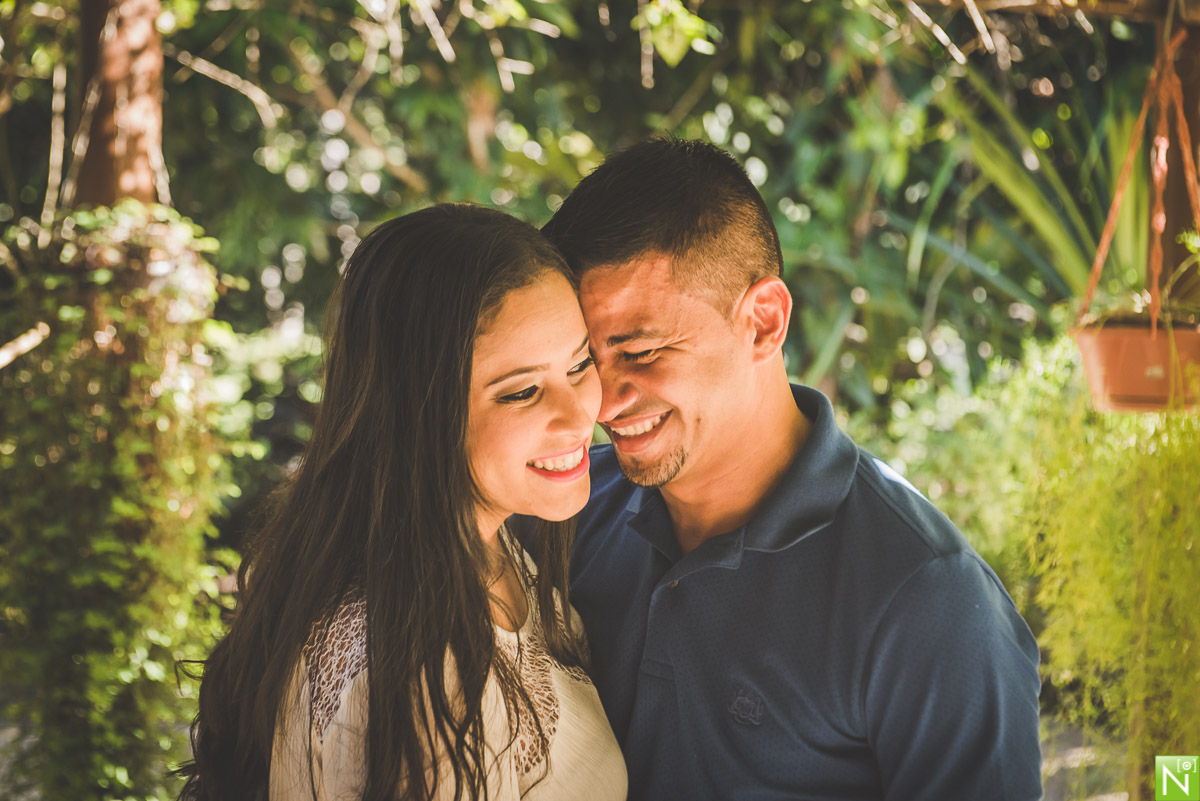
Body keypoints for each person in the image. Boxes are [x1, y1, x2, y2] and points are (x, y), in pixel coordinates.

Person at [534, 138, 1043, 800]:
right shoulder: (559, 511)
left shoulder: (925, 597)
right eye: (585, 359)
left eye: (642, 350)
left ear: (764, 322)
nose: (603, 396)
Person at [176, 204, 627, 801]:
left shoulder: (488, 549)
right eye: (521, 392)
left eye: (579, 364)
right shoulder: (423, 666)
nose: (580, 417)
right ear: (419, 413)